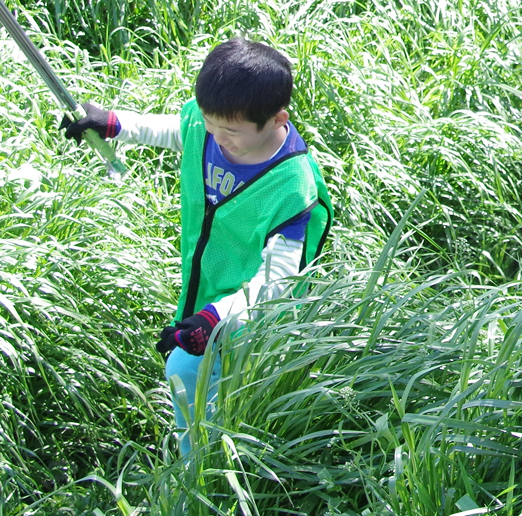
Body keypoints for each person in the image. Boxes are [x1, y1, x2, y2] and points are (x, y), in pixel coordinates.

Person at [62, 37, 332, 454]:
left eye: (230, 132)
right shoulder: (210, 128)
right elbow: (182, 129)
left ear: (278, 119)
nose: (216, 138)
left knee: (187, 370)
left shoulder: (293, 189)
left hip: (249, 315)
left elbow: (278, 282)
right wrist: (114, 124)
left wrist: (215, 319)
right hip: (204, 288)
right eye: (211, 125)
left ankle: (200, 476)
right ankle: (209, 446)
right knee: (199, 385)